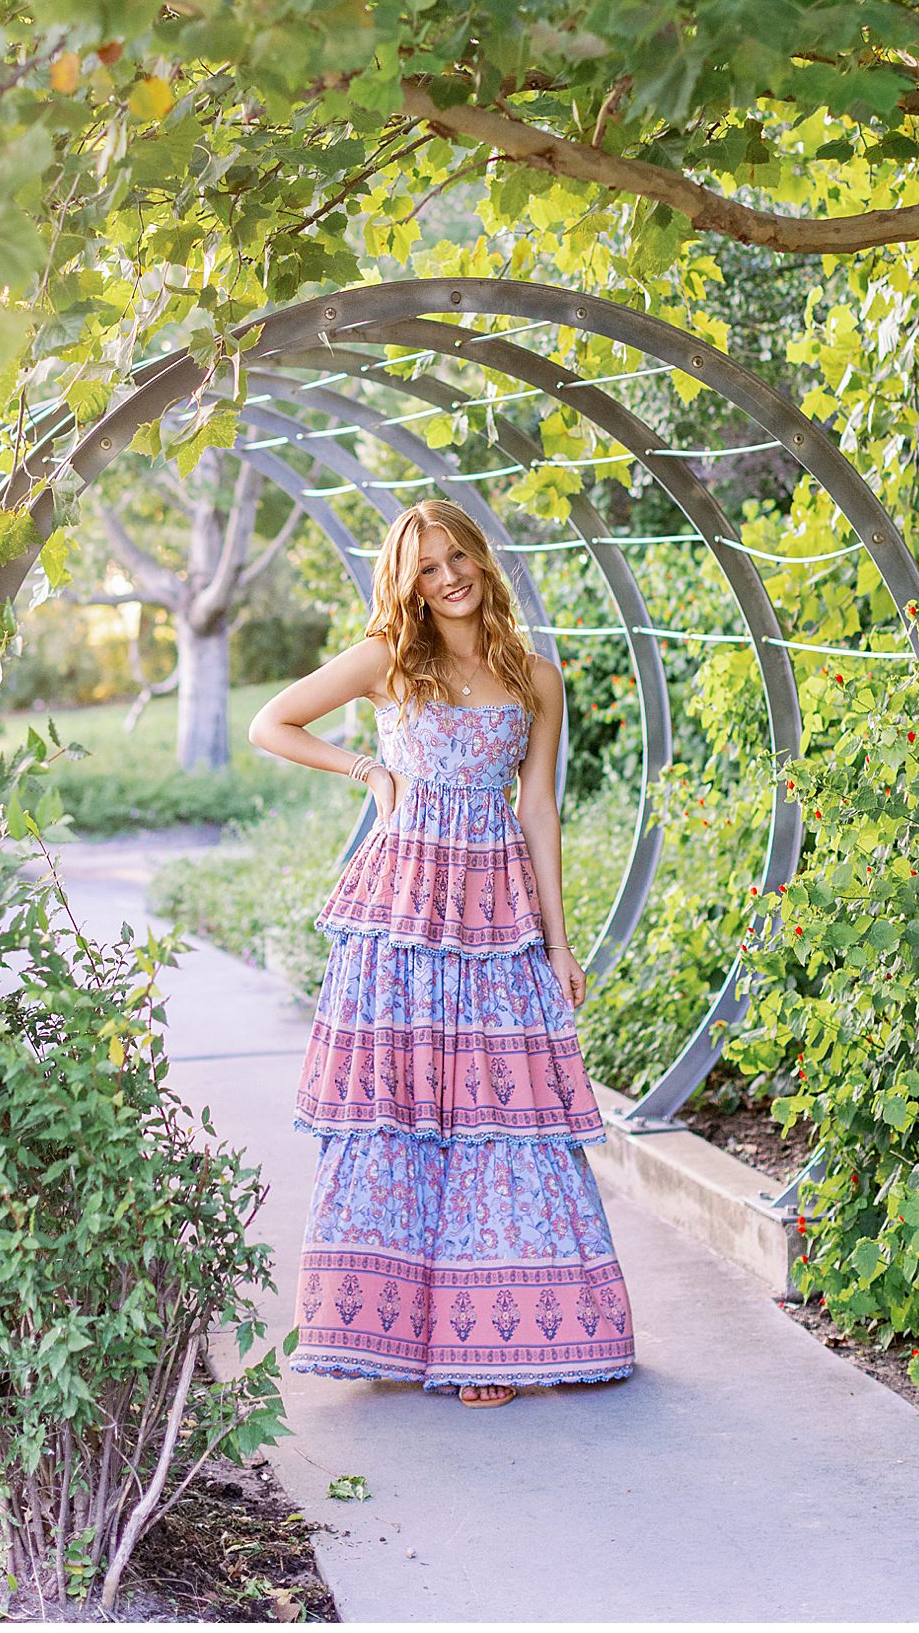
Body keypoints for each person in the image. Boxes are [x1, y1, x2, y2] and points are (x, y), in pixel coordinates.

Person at [248, 498, 635, 1406]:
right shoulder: (390, 658)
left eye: (458, 556)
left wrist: (558, 940)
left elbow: (538, 808)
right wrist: (368, 770)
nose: (449, 575)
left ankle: (492, 1340)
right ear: (408, 582)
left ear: (481, 559)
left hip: (497, 912)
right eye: (428, 566)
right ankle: (392, 1334)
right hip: (403, 915)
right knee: (405, 1112)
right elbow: (273, 722)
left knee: (503, 1114)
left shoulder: (536, 676)